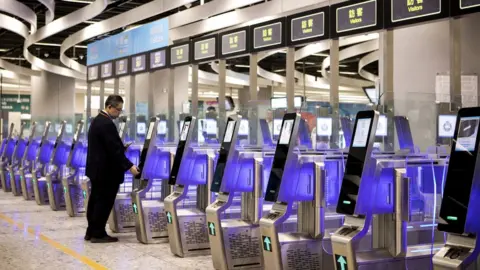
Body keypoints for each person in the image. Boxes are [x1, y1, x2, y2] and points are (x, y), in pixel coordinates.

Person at [85, 95, 140, 243]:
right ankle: (98, 234)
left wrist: (121, 148)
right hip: (106, 172)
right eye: (118, 110)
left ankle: (91, 231)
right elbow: (113, 151)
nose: (119, 113)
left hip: (96, 170)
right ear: (109, 107)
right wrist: (130, 166)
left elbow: (107, 147)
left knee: (95, 201)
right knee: (103, 202)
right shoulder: (106, 123)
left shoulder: (97, 120)